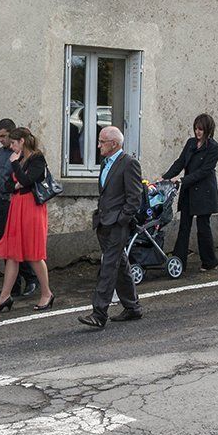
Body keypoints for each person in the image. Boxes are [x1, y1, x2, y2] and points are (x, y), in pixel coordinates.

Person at [78, 126, 143, 329]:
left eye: (102, 142)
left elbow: (135, 197)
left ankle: (99, 313)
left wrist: (122, 219)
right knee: (120, 264)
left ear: (114, 144)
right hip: (104, 221)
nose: (99, 146)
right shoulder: (106, 163)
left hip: (117, 224)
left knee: (108, 266)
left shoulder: (129, 163)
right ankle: (132, 307)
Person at [0, 127, 56, 312]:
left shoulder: (37, 159)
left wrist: (16, 169)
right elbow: (8, 184)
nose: (11, 147)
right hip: (17, 206)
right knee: (12, 253)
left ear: (22, 141)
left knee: (33, 254)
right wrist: (17, 182)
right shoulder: (19, 159)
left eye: (13, 143)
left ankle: (46, 293)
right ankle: (4, 297)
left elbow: (26, 181)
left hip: (31, 208)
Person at [162, 114, 218, 272]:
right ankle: (179, 262)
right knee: (184, 226)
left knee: (203, 228)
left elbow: (204, 171)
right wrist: (165, 177)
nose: (197, 132)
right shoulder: (191, 143)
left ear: (208, 129)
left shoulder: (214, 147)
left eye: (200, 129)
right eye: (196, 129)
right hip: (189, 191)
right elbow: (180, 162)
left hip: (204, 192)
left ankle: (209, 262)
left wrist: (182, 180)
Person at [0, 119, 37, 297]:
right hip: (0, 202)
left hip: (15, 203)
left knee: (18, 243)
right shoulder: (1, 153)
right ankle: (12, 287)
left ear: (12, 134)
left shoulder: (22, 155)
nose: (0, 139)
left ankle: (31, 279)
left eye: (3, 136)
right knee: (6, 245)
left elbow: (24, 178)